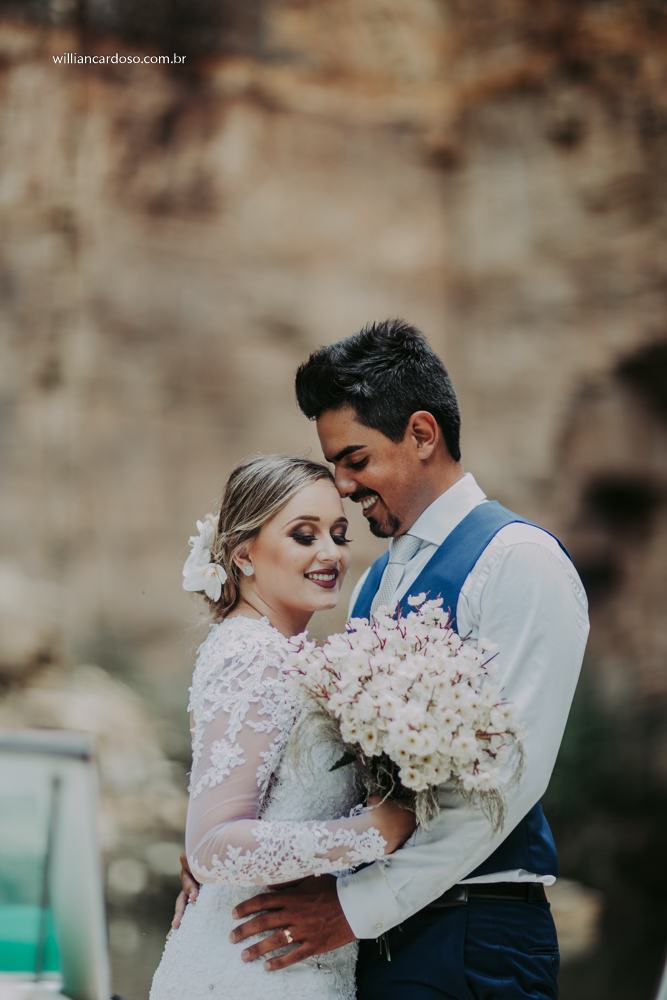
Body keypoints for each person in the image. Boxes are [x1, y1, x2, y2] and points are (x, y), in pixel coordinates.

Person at [179, 320, 590, 1000]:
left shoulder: (520, 564)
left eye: (354, 459)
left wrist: (351, 909)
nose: (341, 484)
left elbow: (504, 779)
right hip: (372, 937)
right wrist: (224, 850)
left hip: (470, 933)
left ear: (421, 435)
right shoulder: (376, 580)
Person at [151, 454, 415, 1000]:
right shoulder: (253, 654)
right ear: (243, 554)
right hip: (253, 972)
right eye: (304, 535)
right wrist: (374, 833)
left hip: (283, 964)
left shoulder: (275, 652)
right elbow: (213, 846)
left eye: (339, 534)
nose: (331, 554)